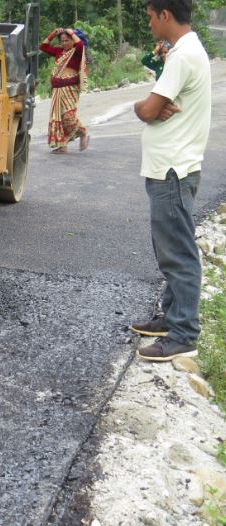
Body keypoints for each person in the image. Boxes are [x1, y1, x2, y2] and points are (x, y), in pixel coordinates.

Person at [130, 0, 211, 362]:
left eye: (149, 16)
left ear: (165, 15)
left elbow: (148, 110)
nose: (148, 23)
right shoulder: (184, 51)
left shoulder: (182, 56)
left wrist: (143, 107)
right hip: (172, 167)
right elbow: (156, 106)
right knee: (170, 248)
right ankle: (172, 317)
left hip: (173, 169)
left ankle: (183, 333)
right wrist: (153, 104)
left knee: (178, 253)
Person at [39, 27, 89, 154]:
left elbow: (80, 44)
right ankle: (62, 146)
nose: (64, 43)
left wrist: (71, 32)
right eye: (62, 41)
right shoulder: (59, 52)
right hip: (57, 90)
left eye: (67, 40)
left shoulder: (76, 52)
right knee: (58, 117)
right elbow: (43, 47)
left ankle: (83, 132)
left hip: (70, 89)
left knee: (68, 116)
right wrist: (52, 34)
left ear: (72, 40)